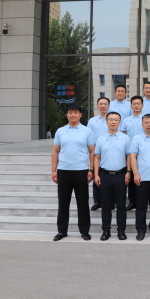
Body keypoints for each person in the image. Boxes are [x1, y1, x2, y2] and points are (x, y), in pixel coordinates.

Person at [51, 103, 95, 241]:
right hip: (63, 170)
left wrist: (91, 169)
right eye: (70, 112)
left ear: (80, 114)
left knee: (82, 203)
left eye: (76, 112)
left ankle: (84, 231)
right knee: (63, 203)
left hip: (81, 170)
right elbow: (55, 151)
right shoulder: (60, 131)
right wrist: (53, 170)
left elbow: (92, 151)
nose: (73, 115)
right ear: (67, 114)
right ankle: (62, 231)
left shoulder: (87, 131)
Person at [93, 111, 132, 241]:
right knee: (106, 205)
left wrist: (129, 172)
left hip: (121, 174)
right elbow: (97, 157)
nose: (113, 122)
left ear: (119, 122)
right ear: (106, 122)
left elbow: (129, 156)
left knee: (121, 205)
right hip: (105, 175)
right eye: (111, 119)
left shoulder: (125, 138)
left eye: (116, 119)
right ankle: (106, 230)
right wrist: (96, 174)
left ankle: (121, 230)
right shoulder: (100, 139)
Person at [121, 95, 145, 211]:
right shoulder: (126, 120)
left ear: (142, 105)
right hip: (130, 152)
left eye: (138, 103)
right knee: (131, 175)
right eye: (134, 104)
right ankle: (132, 201)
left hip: (143, 151)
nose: (136, 105)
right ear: (131, 106)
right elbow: (123, 135)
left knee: (143, 175)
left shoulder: (146, 119)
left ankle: (143, 200)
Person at [88, 97, 110, 211]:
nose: (103, 106)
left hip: (110, 152)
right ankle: (97, 201)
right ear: (97, 106)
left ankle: (111, 200)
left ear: (109, 106)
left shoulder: (113, 119)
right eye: (101, 104)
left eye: (105, 104)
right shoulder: (92, 121)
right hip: (96, 152)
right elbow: (89, 136)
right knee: (96, 173)